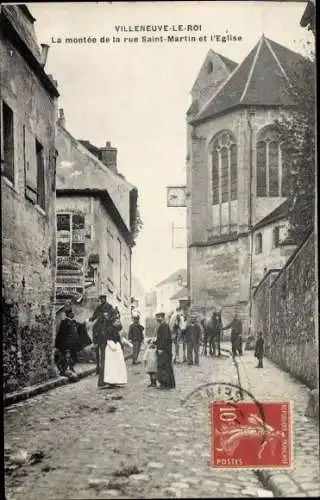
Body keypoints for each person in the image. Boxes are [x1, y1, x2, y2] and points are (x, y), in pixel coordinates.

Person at [89, 294, 115, 374]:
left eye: (103, 299)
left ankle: (111, 340)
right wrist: (92, 318)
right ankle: (95, 342)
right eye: (101, 299)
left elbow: (113, 315)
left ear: (105, 299)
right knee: (94, 327)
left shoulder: (110, 306)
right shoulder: (99, 307)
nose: (102, 300)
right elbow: (95, 314)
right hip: (100, 322)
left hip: (107, 322)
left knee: (110, 330)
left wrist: (108, 317)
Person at [99, 315, 127, 388]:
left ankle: (115, 381)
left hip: (115, 350)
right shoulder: (109, 330)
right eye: (117, 321)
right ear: (113, 322)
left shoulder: (116, 330)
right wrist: (115, 347)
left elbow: (118, 339)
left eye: (119, 321)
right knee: (111, 366)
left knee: (116, 366)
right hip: (111, 350)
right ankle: (111, 382)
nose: (119, 322)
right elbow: (108, 340)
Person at [55, 307, 81, 376]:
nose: (73, 314)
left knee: (74, 358)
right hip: (67, 344)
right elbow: (61, 334)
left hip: (73, 344)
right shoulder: (64, 322)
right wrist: (62, 344)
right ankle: (62, 370)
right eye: (71, 313)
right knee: (65, 358)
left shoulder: (74, 322)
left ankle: (71, 368)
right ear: (68, 314)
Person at [155, 312, 176, 389]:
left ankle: (165, 384)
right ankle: (170, 384)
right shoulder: (164, 326)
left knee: (164, 367)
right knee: (167, 367)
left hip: (164, 350)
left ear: (162, 317)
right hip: (166, 350)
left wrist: (161, 348)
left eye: (158, 317)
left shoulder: (164, 326)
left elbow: (164, 339)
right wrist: (155, 342)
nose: (157, 319)